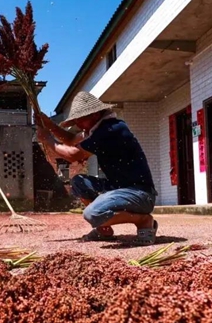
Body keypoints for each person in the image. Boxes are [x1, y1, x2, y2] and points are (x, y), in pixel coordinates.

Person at [35, 91, 158, 244]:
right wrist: (50, 125)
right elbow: (72, 139)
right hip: (117, 188)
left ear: (95, 114)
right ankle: (104, 229)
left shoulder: (110, 129)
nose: (78, 125)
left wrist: (47, 139)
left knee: (93, 214)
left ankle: (143, 220)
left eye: (81, 119)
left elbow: (73, 154)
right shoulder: (97, 129)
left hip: (139, 193)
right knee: (79, 181)